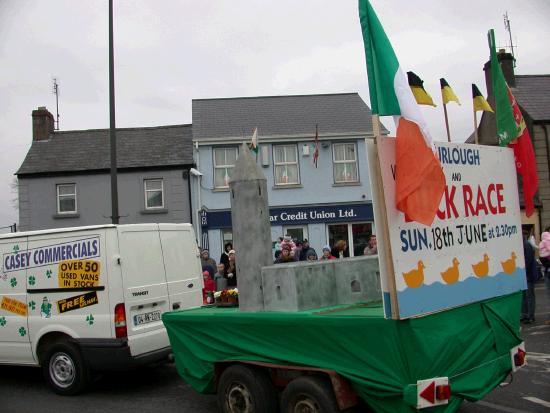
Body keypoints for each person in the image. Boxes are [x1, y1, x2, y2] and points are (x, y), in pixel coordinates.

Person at [521, 229, 537, 324]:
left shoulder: (526, 245)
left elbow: (528, 260)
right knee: (525, 296)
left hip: (528, 275)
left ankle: (530, 315)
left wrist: (523, 271)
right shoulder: (523, 244)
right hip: (525, 274)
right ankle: (525, 314)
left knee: (529, 296)